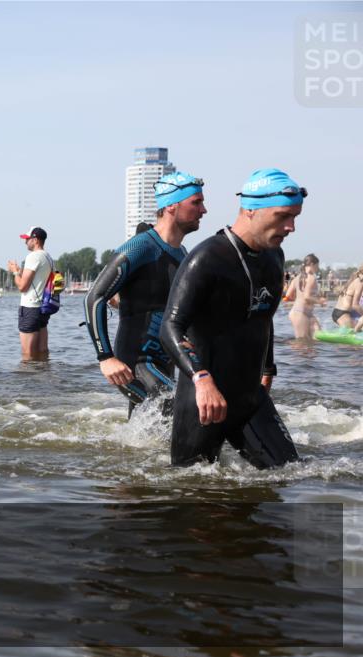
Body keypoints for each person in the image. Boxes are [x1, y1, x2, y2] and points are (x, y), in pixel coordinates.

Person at [160, 168, 305, 469]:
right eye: (283, 216)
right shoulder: (207, 258)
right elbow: (170, 327)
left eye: (295, 217)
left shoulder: (274, 257)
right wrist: (201, 379)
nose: (291, 227)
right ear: (251, 210)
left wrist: (268, 368)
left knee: (291, 475)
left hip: (251, 397)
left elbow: (263, 317)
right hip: (204, 401)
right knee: (190, 488)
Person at [84, 172, 205, 416]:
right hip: (135, 363)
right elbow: (94, 298)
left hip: (166, 362)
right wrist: (105, 358)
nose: (204, 210)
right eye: (196, 202)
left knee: (150, 429)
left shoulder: (181, 253)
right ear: (171, 206)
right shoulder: (141, 247)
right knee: (179, 411)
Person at [7, 227, 54, 361]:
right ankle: (43, 372)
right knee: (42, 350)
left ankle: (28, 375)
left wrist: (15, 272)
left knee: (27, 354)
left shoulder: (33, 256)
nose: (25, 242)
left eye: (27, 239)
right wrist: (19, 271)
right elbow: (37, 280)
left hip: (30, 308)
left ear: (35, 240)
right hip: (43, 308)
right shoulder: (48, 257)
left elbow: (22, 287)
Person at [284, 253, 324, 338]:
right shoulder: (311, 277)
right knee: (302, 343)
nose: (318, 268)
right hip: (300, 313)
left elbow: (288, 295)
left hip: (305, 313)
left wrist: (298, 299)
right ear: (312, 264)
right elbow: (306, 297)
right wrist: (320, 302)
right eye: (317, 266)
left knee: (317, 338)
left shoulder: (297, 277)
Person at [333, 263, 363, 329]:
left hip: (338, 311)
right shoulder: (360, 282)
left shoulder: (354, 279)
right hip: (343, 314)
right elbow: (355, 305)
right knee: (355, 332)